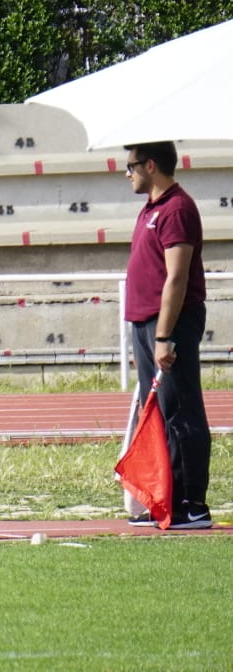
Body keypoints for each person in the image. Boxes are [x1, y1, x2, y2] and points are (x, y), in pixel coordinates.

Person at [123, 141, 212, 529]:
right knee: (158, 412)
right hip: (147, 323)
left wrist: (163, 336)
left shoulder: (176, 209)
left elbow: (176, 277)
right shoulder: (152, 209)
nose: (127, 173)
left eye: (131, 166)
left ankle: (191, 505)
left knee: (181, 411)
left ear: (151, 165)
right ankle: (165, 501)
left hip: (169, 324)